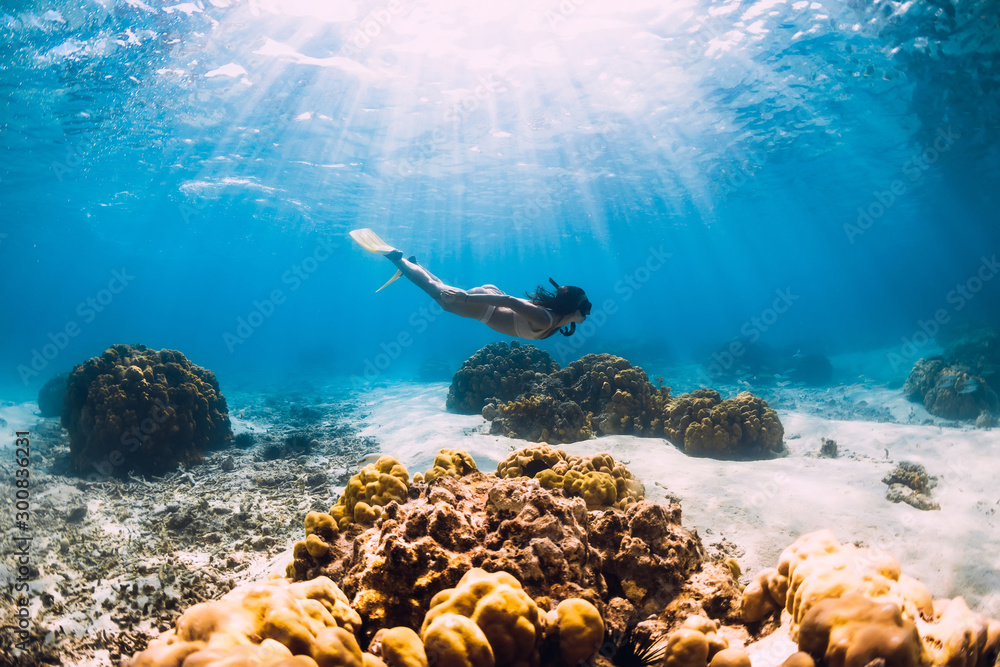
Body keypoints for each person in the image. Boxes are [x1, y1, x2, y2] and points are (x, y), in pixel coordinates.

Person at [350, 228, 592, 340]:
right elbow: (507, 301)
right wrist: (466, 298)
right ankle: (396, 258)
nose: (589, 313)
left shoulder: (555, 319)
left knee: (443, 290)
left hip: (490, 300)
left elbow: (508, 301)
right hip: (485, 307)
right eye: (587, 307)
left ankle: (416, 265)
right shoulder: (546, 319)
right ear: (574, 308)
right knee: (439, 295)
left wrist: (467, 297)